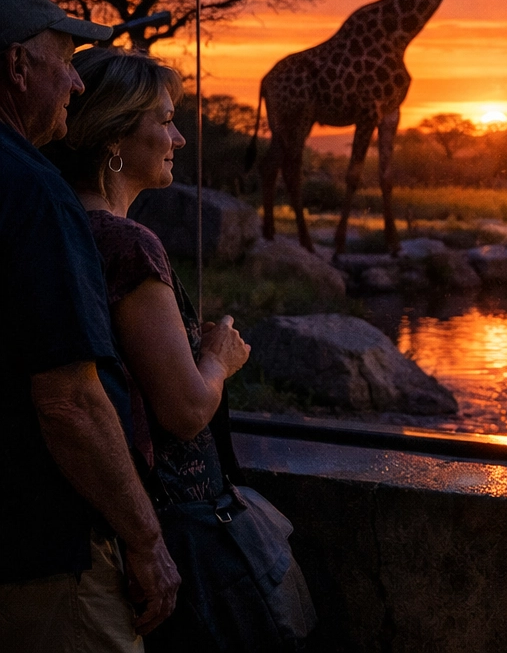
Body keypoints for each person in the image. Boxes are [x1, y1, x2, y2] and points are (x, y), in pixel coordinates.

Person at [45, 46, 311, 650]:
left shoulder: (60, 224)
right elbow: (185, 409)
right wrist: (219, 356)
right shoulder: (128, 245)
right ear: (113, 140)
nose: (180, 139)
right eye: (163, 121)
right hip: (162, 525)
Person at [0, 0, 179, 651]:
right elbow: (70, 401)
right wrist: (145, 538)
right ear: (18, 68)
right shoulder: (34, 193)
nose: (76, 80)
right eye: (61, 60)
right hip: (43, 549)